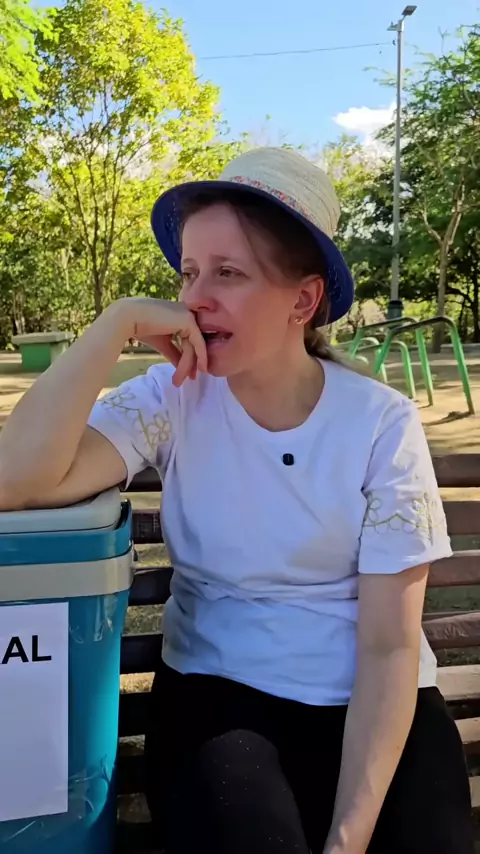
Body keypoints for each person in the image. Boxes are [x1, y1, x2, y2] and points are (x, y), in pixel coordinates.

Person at [0, 147, 473, 854]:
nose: (195, 298)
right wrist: (115, 323)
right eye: (188, 272)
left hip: (376, 702)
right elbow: (14, 480)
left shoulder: (379, 423)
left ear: (302, 301)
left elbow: (388, 646)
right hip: (219, 694)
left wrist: (348, 840)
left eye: (228, 272)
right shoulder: (170, 398)